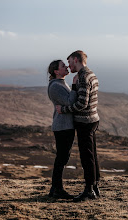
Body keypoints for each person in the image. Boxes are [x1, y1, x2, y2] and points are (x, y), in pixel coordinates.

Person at [56, 50, 100, 202]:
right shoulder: (91, 74)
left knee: (86, 156)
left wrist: (63, 109)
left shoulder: (82, 77)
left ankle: (89, 191)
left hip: (85, 121)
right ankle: (94, 187)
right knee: (92, 154)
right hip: (93, 119)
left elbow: (82, 104)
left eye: (69, 62)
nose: (69, 66)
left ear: (76, 60)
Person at [47, 60, 77, 199]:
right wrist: (75, 86)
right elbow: (70, 101)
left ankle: (55, 188)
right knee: (62, 158)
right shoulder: (55, 86)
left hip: (65, 126)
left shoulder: (60, 83)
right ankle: (57, 189)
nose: (66, 67)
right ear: (56, 71)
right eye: (63, 66)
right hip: (62, 127)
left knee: (63, 157)